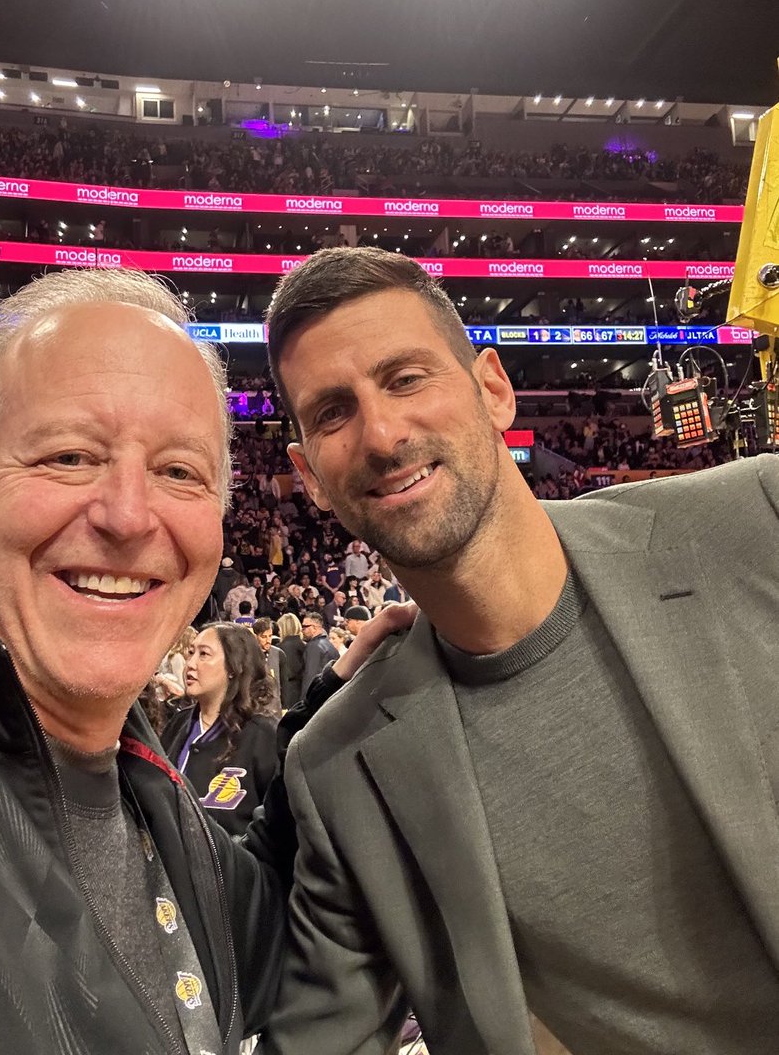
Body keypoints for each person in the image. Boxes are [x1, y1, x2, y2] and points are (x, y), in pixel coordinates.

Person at [259, 246, 779, 1055]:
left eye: (406, 378)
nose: (384, 434)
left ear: (493, 390)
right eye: (333, 412)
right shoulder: (336, 771)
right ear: (309, 477)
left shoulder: (757, 521)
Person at [0, 267, 401, 1055]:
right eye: (68, 457)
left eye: (178, 472)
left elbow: (264, 937)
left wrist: (341, 703)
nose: (128, 515)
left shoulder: (138, 776)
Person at [161, 624, 279, 839]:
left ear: (234, 667)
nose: (190, 664)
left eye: (203, 654)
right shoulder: (177, 722)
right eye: (191, 653)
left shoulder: (264, 735)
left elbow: (279, 827)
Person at [251, 617, 284, 716]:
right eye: (263, 637)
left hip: (275, 709)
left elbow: (284, 682)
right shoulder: (248, 655)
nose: (268, 640)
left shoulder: (278, 653)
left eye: (270, 636)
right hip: (256, 709)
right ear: (256, 636)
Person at [300, 612, 336, 696]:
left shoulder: (313, 647)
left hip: (317, 699)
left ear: (314, 628)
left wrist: (303, 703)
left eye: (304, 627)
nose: (302, 630)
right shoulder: (331, 647)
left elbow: (310, 677)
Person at [276, 612, 305, 708]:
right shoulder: (305, 646)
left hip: (286, 693)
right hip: (301, 691)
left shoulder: (278, 649)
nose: (278, 632)